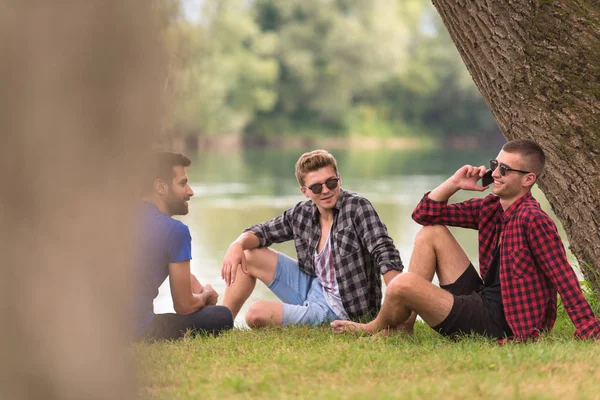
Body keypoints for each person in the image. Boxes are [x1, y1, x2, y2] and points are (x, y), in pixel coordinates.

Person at [331, 139, 600, 342]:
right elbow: (424, 214)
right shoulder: (492, 207)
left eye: (505, 170)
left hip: (504, 322)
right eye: (495, 165)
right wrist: (455, 183)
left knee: (401, 284)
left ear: (528, 179)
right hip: (485, 300)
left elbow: (562, 276)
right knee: (431, 232)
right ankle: (404, 327)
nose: (495, 173)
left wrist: (588, 328)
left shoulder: (534, 220)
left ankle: (375, 327)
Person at [220, 149, 404, 328]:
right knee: (248, 255)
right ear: (305, 191)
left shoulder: (357, 208)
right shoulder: (303, 213)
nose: (325, 191)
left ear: (339, 179)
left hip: (342, 309)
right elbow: (263, 232)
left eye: (331, 183)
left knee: (256, 313)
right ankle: (219, 326)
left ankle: (314, 319)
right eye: (316, 187)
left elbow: (385, 253)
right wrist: (236, 244)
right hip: (313, 287)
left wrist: (397, 316)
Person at [134, 152, 233, 340]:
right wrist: (206, 295)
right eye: (182, 183)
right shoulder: (175, 231)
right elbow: (184, 306)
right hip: (136, 331)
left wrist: (195, 286)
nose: (190, 191)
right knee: (222, 316)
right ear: (161, 187)